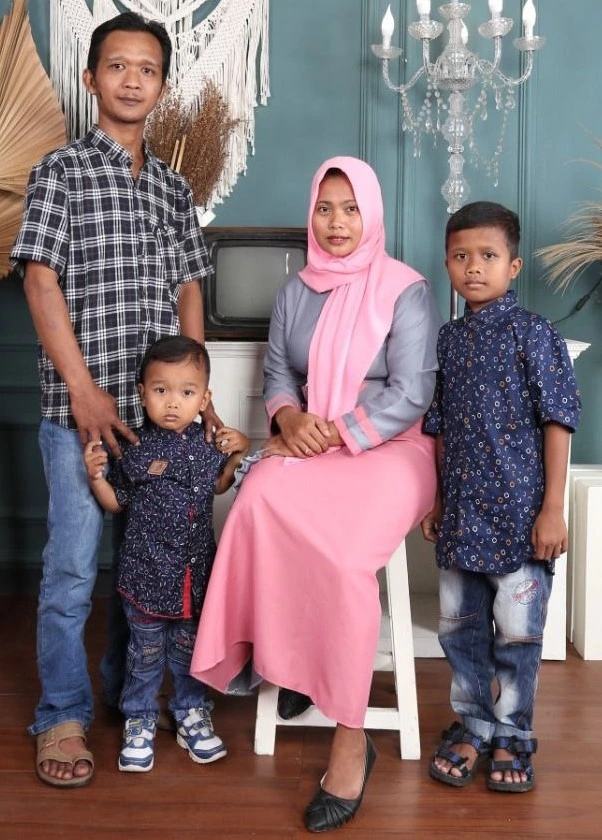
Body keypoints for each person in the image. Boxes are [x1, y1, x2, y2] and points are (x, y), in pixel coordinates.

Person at [190, 156, 442, 832]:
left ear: (371, 214)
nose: (336, 223)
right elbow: (277, 372)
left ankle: (351, 738)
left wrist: (332, 432)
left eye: (350, 209)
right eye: (325, 208)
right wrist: (289, 418)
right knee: (256, 502)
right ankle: (288, 667)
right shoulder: (297, 290)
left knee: (342, 555)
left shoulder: (406, 289)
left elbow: (412, 392)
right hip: (310, 440)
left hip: (391, 450)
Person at [10, 12, 216, 787]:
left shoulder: (172, 187)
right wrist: (85, 391)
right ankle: (60, 715)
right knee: (72, 570)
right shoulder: (59, 171)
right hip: (80, 416)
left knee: (151, 565)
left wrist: (197, 395)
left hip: (161, 420)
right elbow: (40, 281)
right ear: (91, 78)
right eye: (118, 65)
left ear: (162, 85)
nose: (133, 79)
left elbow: (188, 287)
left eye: (148, 69)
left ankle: (130, 697)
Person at [421, 201, 581, 793]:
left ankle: (512, 734)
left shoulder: (534, 333)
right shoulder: (449, 339)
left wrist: (552, 509)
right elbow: (440, 426)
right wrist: (440, 500)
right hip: (463, 517)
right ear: (446, 264)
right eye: (460, 256)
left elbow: (558, 420)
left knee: (517, 637)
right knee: (459, 632)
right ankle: (472, 727)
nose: (473, 267)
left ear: (513, 266)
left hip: (520, 519)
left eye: (488, 255)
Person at [83, 336, 248, 772]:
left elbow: (220, 485)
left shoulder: (208, 446)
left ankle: (191, 712)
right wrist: (96, 477)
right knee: (145, 654)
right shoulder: (134, 450)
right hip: (145, 578)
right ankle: (139, 718)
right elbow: (116, 502)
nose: (173, 402)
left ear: (204, 399)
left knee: (190, 653)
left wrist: (240, 451)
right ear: (142, 393)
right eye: (161, 390)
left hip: (193, 579)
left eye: (186, 392)